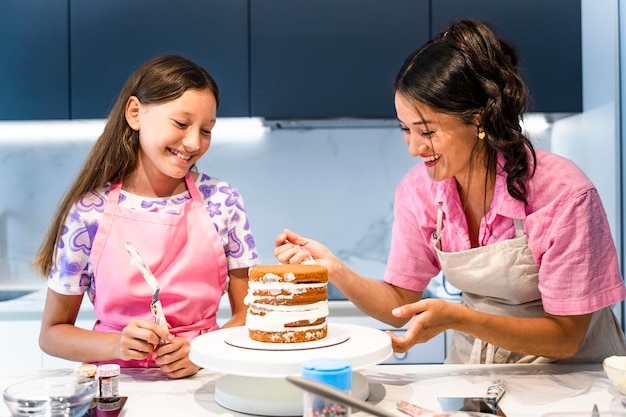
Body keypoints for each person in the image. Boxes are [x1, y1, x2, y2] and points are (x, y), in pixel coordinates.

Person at [274, 19, 626, 364]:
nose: (413, 147)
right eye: (405, 130)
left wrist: (458, 318)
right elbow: (398, 303)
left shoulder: (562, 193)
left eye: (426, 132)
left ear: (480, 119)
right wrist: (333, 268)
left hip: (574, 378)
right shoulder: (420, 190)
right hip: (480, 372)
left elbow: (566, 337)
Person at [34, 54, 260, 378]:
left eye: (206, 130)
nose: (194, 142)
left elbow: (252, 314)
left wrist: (204, 350)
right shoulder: (89, 213)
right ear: (135, 113)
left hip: (206, 385)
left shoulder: (223, 202)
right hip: (118, 391)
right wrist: (116, 345)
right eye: (181, 124)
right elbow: (52, 334)